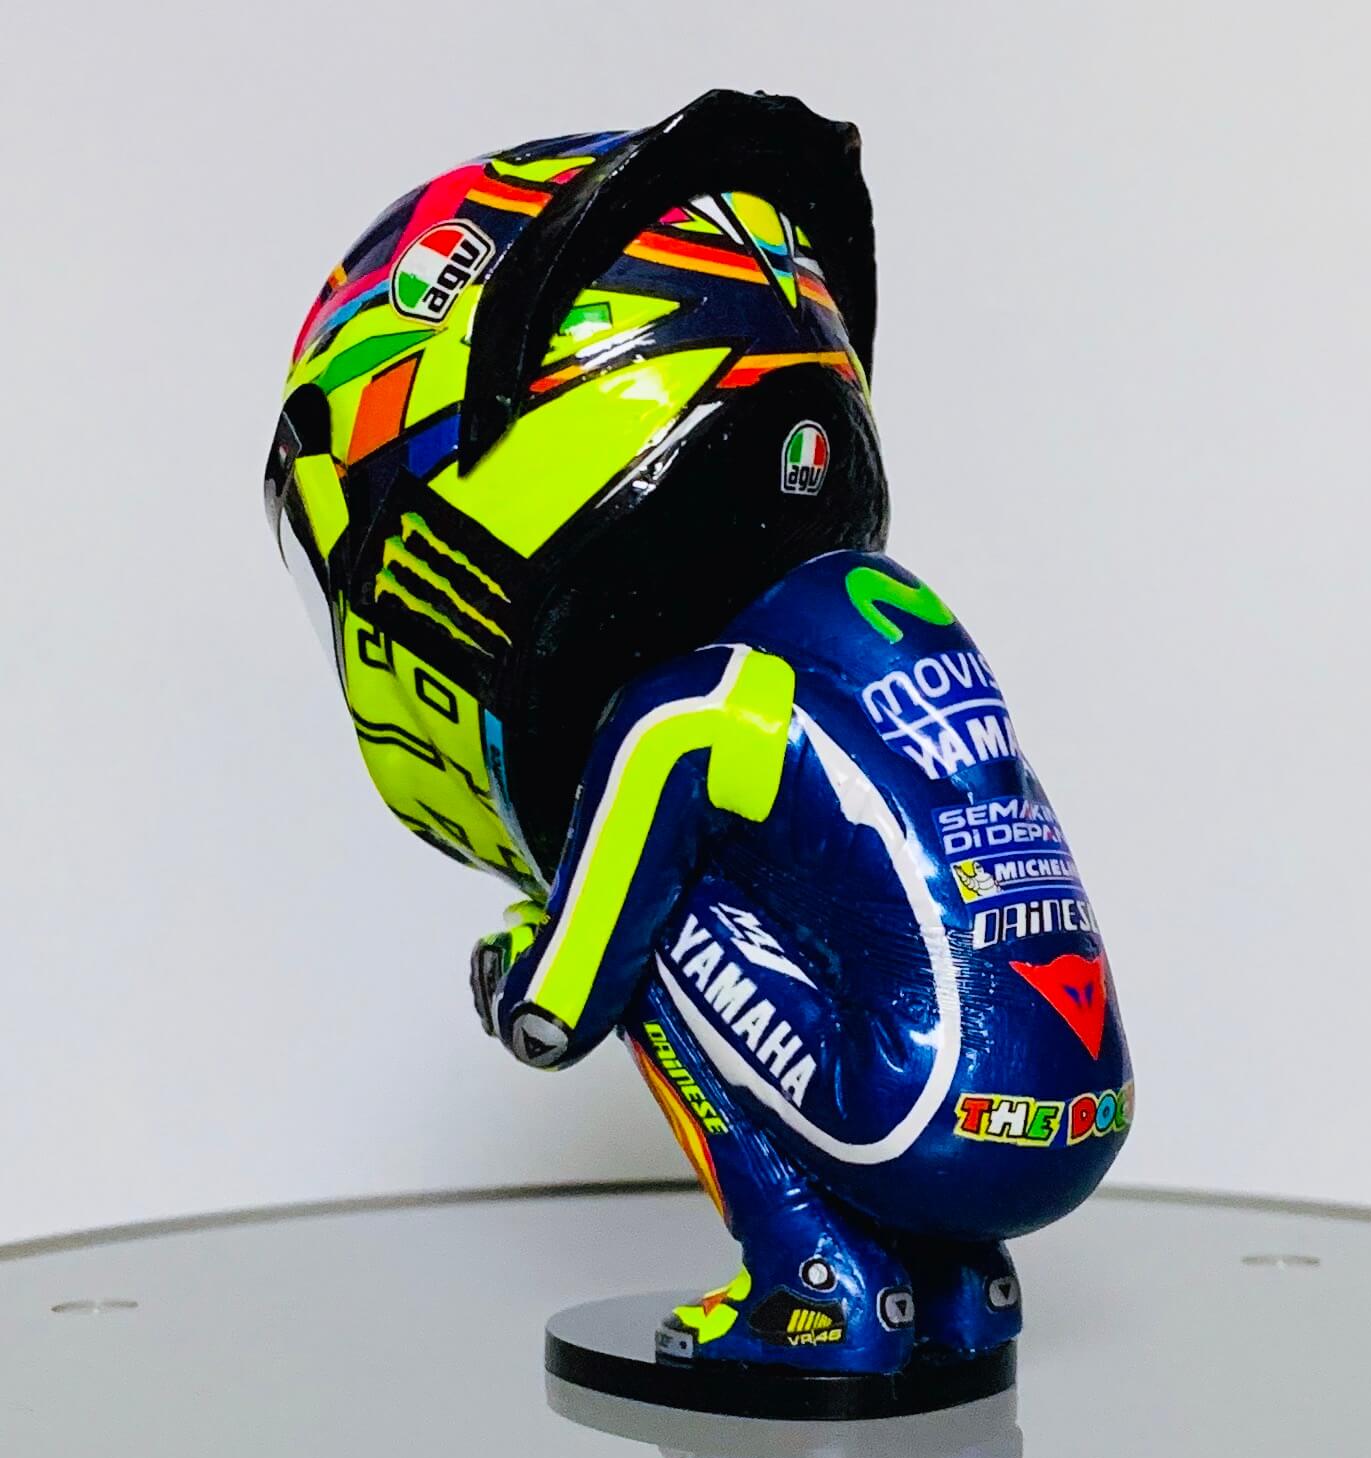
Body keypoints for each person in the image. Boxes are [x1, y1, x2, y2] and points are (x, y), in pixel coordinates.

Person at [264, 90, 1131, 1375]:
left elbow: (590, 948)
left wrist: (536, 992)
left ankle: (817, 1288)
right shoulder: (857, 616)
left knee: (644, 897)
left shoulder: (687, 696)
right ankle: (960, 1286)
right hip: (1077, 1111)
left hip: (922, 1112)